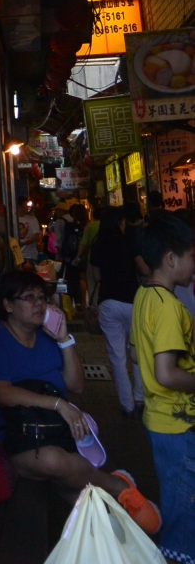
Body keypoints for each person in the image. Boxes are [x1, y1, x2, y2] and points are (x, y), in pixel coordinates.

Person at [0, 270, 160, 529]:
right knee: (52, 461)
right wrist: (60, 405)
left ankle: (109, 527)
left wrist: (64, 339)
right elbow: (2, 394)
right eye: (29, 297)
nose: (39, 303)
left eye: (42, 297)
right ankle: (117, 486)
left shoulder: (47, 337)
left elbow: (76, 385)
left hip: (50, 431)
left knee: (65, 474)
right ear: (8, 305)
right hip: (5, 441)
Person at [130, 215, 195, 563]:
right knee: (184, 500)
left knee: (175, 492)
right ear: (171, 259)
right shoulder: (170, 308)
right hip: (177, 422)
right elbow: (167, 374)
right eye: (191, 257)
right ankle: (179, 555)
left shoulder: (144, 296)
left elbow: (135, 354)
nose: (194, 266)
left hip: (158, 418)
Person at [91, 207, 144, 415]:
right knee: (137, 350)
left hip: (108, 303)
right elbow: (144, 269)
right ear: (120, 223)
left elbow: (97, 277)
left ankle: (127, 405)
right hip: (132, 301)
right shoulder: (128, 241)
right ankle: (140, 397)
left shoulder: (98, 245)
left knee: (117, 357)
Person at [76, 203, 101, 308]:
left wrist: (78, 256)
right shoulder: (108, 225)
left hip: (92, 258)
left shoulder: (90, 226)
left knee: (92, 283)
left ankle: (94, 306)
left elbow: (84, 243)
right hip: (106, 259)